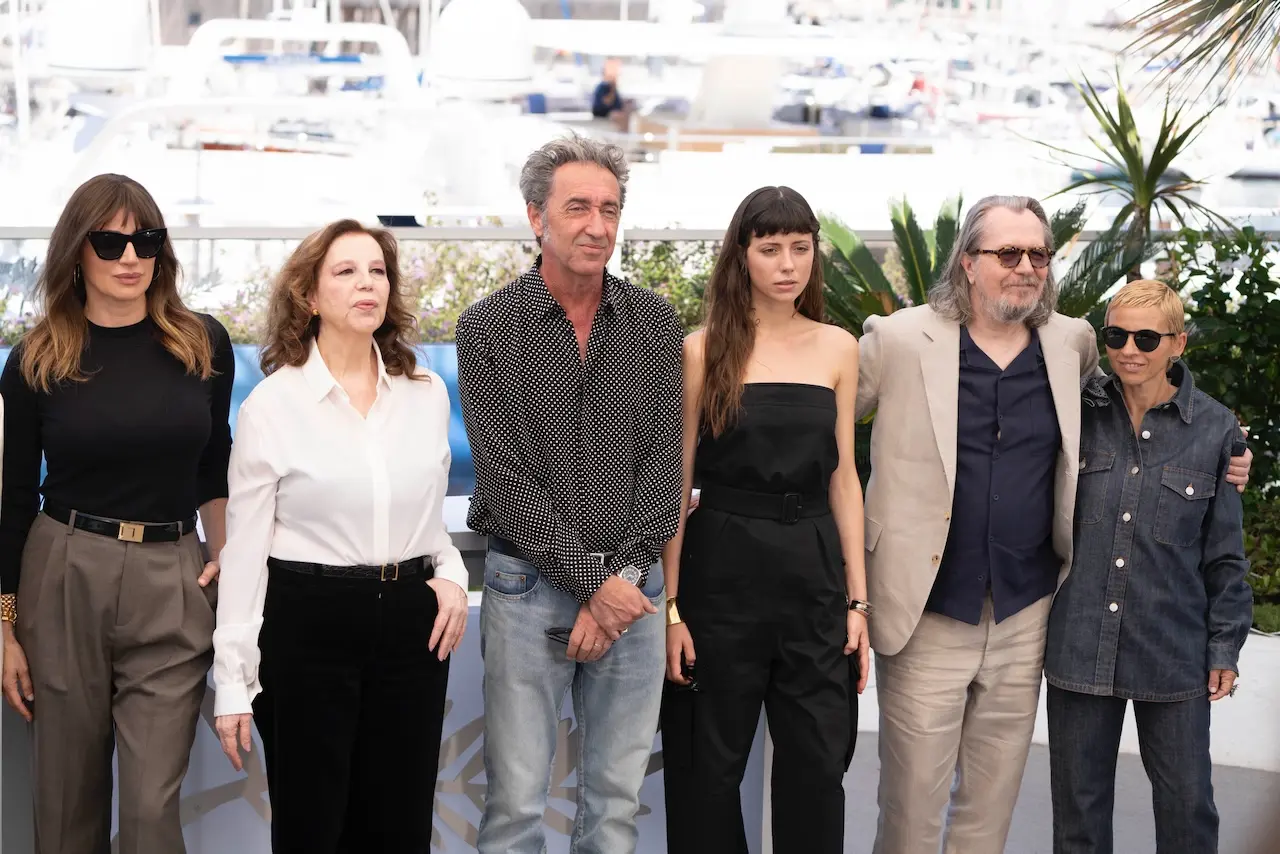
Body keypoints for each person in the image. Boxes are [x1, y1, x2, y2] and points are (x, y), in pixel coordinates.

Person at [853, 194, 1252, 854]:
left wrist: (1227, 445)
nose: (1026, 267)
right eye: (1008, 253)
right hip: (926, 613)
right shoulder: (897, 340)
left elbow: (1145, 398)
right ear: (967, 262)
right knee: (910, 814)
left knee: (989, 812)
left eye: (1038, 254)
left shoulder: (1070, 343)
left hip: (1026, 616)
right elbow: (814, 422)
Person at [211, 219, 469, 853]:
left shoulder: (427, 394)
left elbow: (429, 522)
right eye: (346, 271)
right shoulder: (271, 405)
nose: (366, 284)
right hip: (307, 627)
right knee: (313, 830)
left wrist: (452, 576)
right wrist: (233, 683)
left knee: (400, 830)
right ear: (309, 296)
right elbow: (244, 555)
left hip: (410, 629)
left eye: (377, 271)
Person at [455, 133, 682, 854]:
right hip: (527, 589)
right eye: (578, 207)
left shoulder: (655, 324)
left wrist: (616, 586)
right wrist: (595, 585)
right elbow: (505, 483)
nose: (597, 225)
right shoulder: (488, 327)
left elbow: (663, 471)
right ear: (536, 217)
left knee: (615, 808)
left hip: (633, 591)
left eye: (609, 209)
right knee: (516, 807)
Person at [0, 173, 234, 854]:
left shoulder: (202, 342)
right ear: (77, 251)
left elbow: (214, 465)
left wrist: (225, 556)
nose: (130, 257)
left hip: (174, 575)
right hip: (65, 572)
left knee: (150, 810)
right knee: (66, 807)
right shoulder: (38, 358)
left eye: (146, 240)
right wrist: (5, 626)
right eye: (109, 242)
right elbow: (14, 497)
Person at [659, 186, 869, 853]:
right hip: (721, 572)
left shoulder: (838, 347)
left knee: (817, 767)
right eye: (770, 249)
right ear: (741, 255)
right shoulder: (701, 350)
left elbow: (844, 478)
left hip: (813, 573)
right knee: (707, 771)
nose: (787, 264)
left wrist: (858, 602)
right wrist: (671, 610)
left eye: (800, 248)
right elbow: (677, 485)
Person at [1044, 279, 1253, 854]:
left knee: (1189, 813)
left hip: (1174, 653)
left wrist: (1224, 647)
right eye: (1116, 336)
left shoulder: (1216, 429)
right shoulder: (1075, 412)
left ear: (1178, 343)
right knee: (1078, 820)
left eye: (1146, 338)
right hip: (1080, 647)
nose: (1128, 350)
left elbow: (1225, 555)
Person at [591, 57, 635, 131]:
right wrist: (612, 89)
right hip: (603, 113)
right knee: (618, 115)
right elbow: (606, 102)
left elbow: (617, 102)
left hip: (613, 111)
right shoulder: (603, 86)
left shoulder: (611, 86)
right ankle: (623, 133)